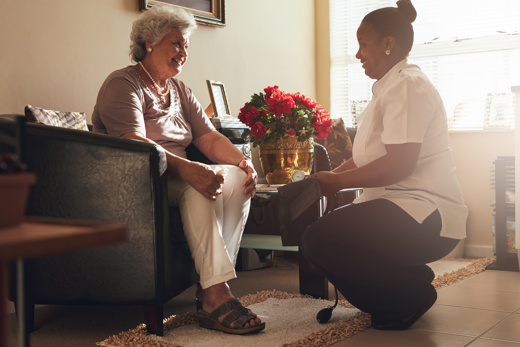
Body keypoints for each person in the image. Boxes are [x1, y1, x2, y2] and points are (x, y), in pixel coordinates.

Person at [91, 6, 265, 335]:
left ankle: (212, 285)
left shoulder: (180, 90)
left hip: (176, 172)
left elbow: (209, 137)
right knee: (198, 186)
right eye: (176, 43)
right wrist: (189, 170)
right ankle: (215, 295)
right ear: (148, 42)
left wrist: (243, 163)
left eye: (186, 46)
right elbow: (135, 143)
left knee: (238, 180)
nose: (183, 53)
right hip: (136, 179)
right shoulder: (122, 84)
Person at [301, 0, 467, 330]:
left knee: (319, 239)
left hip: (426, 214)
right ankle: (411, 276)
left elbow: (399, 165)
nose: (358, 53)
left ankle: (408, 294)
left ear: (388, 44)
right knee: (322, 235)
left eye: (364, 44)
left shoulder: (407, 85)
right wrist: (330, 176)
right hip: (405, 208)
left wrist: (335, 184)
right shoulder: (389, 87)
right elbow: (367, 158)